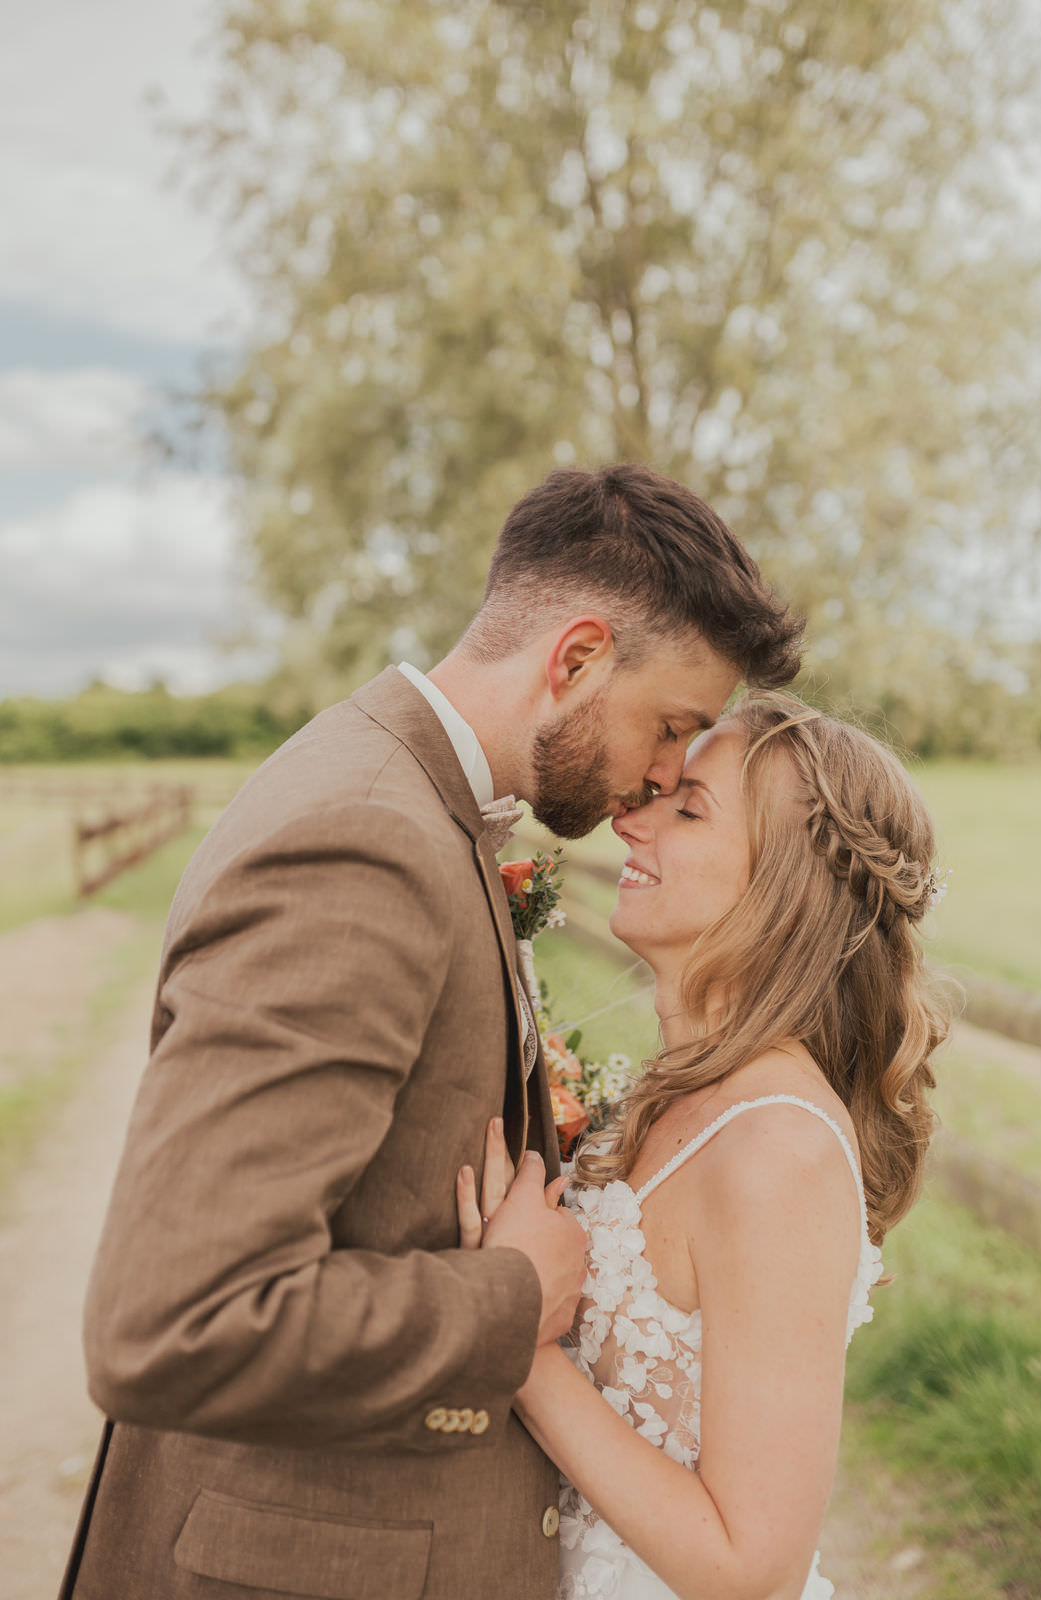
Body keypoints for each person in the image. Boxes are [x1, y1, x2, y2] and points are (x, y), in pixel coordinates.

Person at [60, 464, 803, 1600]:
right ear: (575, 658)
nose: (662, 774)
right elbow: (175, 1320)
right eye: (671, 725)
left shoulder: (414, 803)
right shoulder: (365, 838)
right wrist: (508, 1297)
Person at [459, 692, 951, 1600]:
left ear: (784, 887)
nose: (629, 818)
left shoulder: (776, 1151)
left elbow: (747, 1565)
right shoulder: (678, 1093)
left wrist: (520, 1348)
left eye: (687, 810)